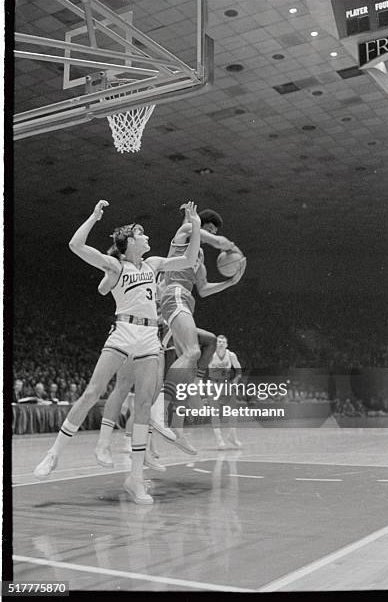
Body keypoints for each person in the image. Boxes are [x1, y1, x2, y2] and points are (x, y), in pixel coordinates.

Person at [34, 199, 201, 505]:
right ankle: (54, 454)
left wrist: (197, 225)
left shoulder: (154, 265)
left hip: (150, 336)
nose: (148, 237)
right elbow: (75, 244)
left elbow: (190, 260)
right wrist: (94, 217)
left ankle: (135, 480)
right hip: (123, 332)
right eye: (142, 233)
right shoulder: (116, 266)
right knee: (91, 392)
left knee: (143, 406)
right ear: (130, 242)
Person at [159, 206, 246, 451]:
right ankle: (162, 407)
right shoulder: (186, 231)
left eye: (211, 231)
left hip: (186, 302)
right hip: (173, 296)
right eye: (207, 229)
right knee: (193, 352)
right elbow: (219, 242)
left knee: (205, 344)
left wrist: (230, 282)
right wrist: (231, 247)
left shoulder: (199, 258)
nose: (208, 234)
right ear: (201, 224)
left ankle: (177, 428)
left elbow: (205, 288)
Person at [207, 335, 243, 449]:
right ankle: (219, 440)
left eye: (223, 342)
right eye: (218, 341)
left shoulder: (231, 355)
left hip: (226, 385)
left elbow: (239, 371)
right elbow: (200, 369)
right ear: (215, 344)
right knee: (215, 413)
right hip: (213, 385)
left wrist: (235, 382)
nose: (221, 343)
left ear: (226, 344)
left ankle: (232, 436)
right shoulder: (210, 355)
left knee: (233, 412)